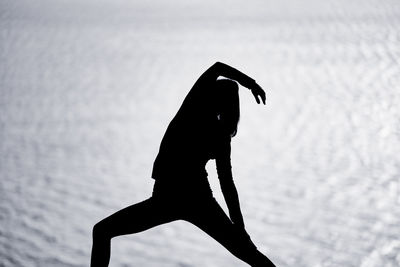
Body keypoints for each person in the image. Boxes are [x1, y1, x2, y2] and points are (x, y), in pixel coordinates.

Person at [90, 62, 276, 267]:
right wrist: (239, 228)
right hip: (195, 200)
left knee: (102, 231)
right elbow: (227, 184)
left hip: (170, 199)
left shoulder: (193, 108)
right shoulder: (221, 135)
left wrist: (251, 84)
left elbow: (217, 67)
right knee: (250, 254)